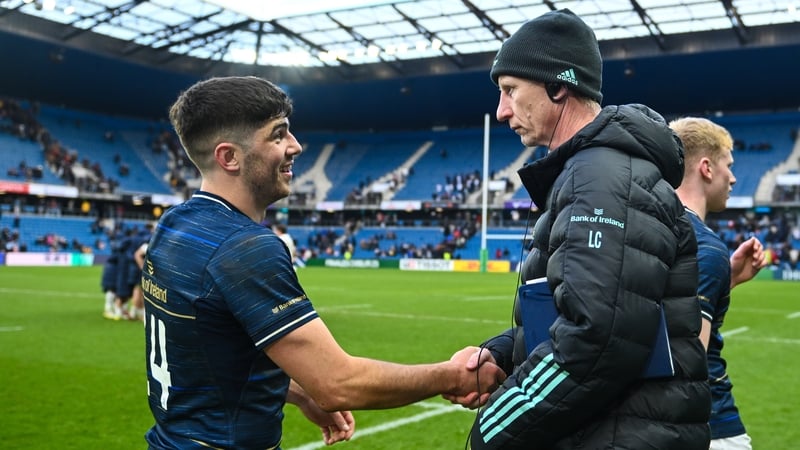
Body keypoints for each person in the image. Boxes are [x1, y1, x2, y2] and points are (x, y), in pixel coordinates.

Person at [141, 76, 506, 449]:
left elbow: (211, 356)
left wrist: (299, 390)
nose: (295, 146)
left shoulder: (174, 224)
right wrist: (451, 376)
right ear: (229, 157)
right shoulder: (244, 246)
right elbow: (338, 382)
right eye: (278, 135)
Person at [447, 9, 710, 449]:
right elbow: (581, 310)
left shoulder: (601, 176)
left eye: (511, 90)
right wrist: (501, 352)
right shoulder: (592, 171)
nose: (500, 110)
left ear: (557, 85)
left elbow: (599, 338)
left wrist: (492, 428)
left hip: (622, 433)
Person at [671, 117, 766, 450]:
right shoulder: (703, 245)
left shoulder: (653, 231)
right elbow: (687, 362)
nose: (734, 177)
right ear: (707, 168)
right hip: (711, 426)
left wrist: (728, 279)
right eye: (729, 164)